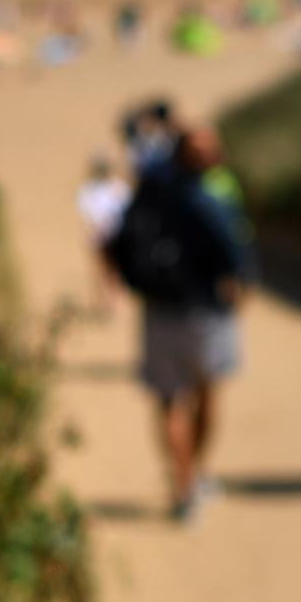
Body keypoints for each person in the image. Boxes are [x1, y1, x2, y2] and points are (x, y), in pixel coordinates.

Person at [104, 125, 253, 522]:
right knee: (205, 394)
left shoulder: (150, 195)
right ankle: (194, 475)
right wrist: (241, 287)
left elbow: (116, 242)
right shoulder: (210, 198)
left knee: (169, 401)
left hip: (159, 309)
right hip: (205, 311)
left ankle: (182, 481)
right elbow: (235, 255)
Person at [74, 156, 130, 315]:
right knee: (100, 269)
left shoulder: (118, 187)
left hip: (116, 235)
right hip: (98, 234)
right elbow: (87, 211)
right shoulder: (88, 189)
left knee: (114, 270)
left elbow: (124, 209)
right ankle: (102, 303)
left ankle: (114, 302)